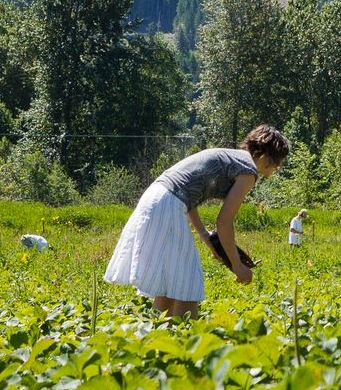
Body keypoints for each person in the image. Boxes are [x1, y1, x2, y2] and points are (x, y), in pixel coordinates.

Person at [104, 126, 290, 318]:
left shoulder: (232, 156)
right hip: (169, 202)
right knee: (187, 281)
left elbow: (189, 196)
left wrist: (205, 237)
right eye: (278, 162)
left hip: (156, 197)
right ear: (268, 157)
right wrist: (237, 266)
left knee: (172, 279)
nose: (278, 167)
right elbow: (224, 221)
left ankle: (158, 336)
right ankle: (187, 339)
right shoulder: (248, 171)